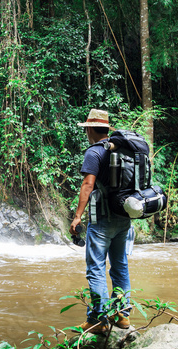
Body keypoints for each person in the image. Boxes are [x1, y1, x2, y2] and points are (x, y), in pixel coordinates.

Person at [69, 109, 133, 334]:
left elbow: (88, 185)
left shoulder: (94, 152)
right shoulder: (123, 150)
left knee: (95, 269)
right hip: (124, 217)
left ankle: (99, 320)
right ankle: (122, 316)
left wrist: (77, 216)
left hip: (102, 220)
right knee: (120, 266)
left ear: (89, 129)